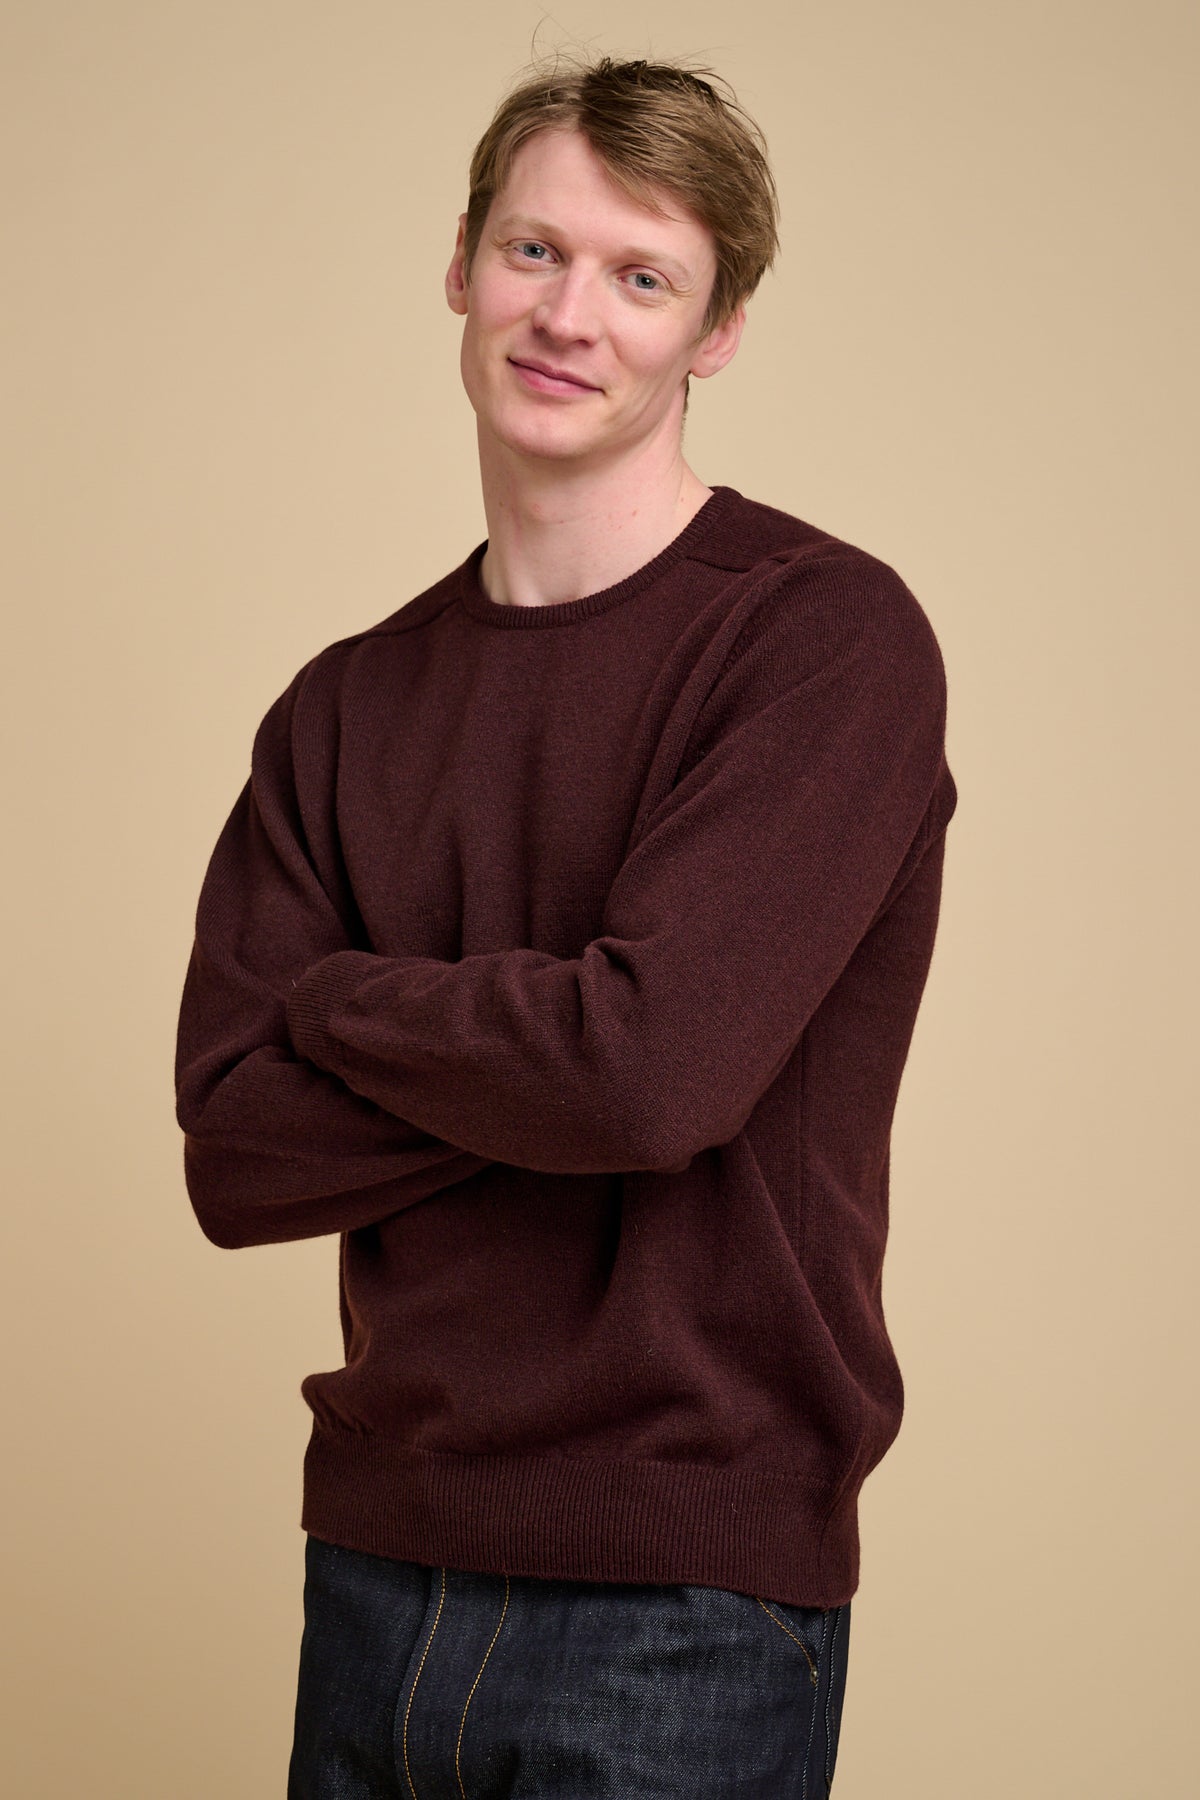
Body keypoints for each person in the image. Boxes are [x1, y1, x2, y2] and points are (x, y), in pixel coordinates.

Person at [174, 53, 956, 1798]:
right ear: (461, 266)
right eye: (535, 252)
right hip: (374, 1570)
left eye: (641, 275)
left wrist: (345, 1002)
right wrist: (561, 1028)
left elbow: (650, 1078)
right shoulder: (342, 709)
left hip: (681, 1597)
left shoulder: (820, 643)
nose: (570, 316)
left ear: (718, 329)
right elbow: (233, 1154)